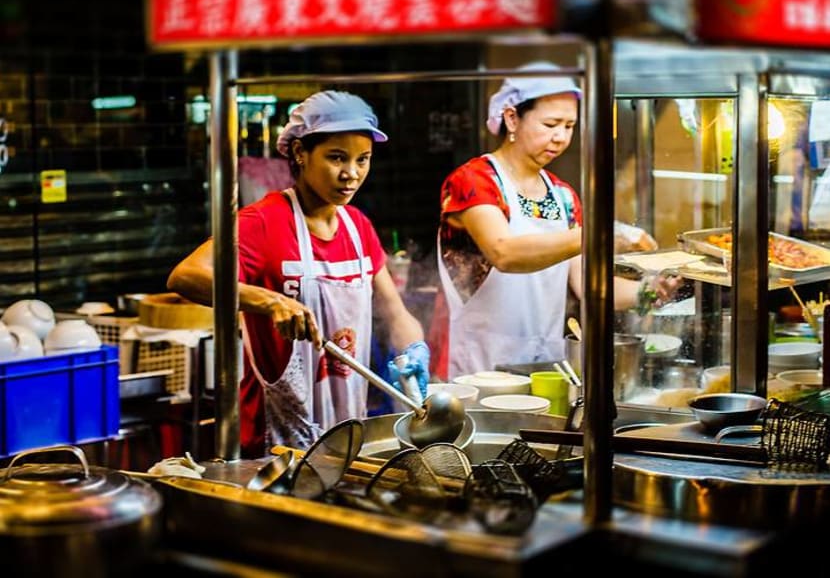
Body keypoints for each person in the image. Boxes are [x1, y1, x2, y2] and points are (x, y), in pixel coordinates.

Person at [167, 90, 430, 456]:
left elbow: (395, 313)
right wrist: (268, 301)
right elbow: (185, 276)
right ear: (299, 153)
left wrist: (414, 349)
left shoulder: (358, 228)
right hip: (272, 437)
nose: (350, 174)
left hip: (344, 425)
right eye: (336, 157)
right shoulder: (263, 221)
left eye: (363, 160)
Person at [431, 61, 680, 380]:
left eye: (569, 126)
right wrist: (604, 235)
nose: (561, 137)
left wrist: (649, 291)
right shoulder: (474, 181)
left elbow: (585, 285)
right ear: (512, 118)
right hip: (477, 366)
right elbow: (504, 253)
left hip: (543, 367)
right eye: (550, 124)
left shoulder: (563, 196)